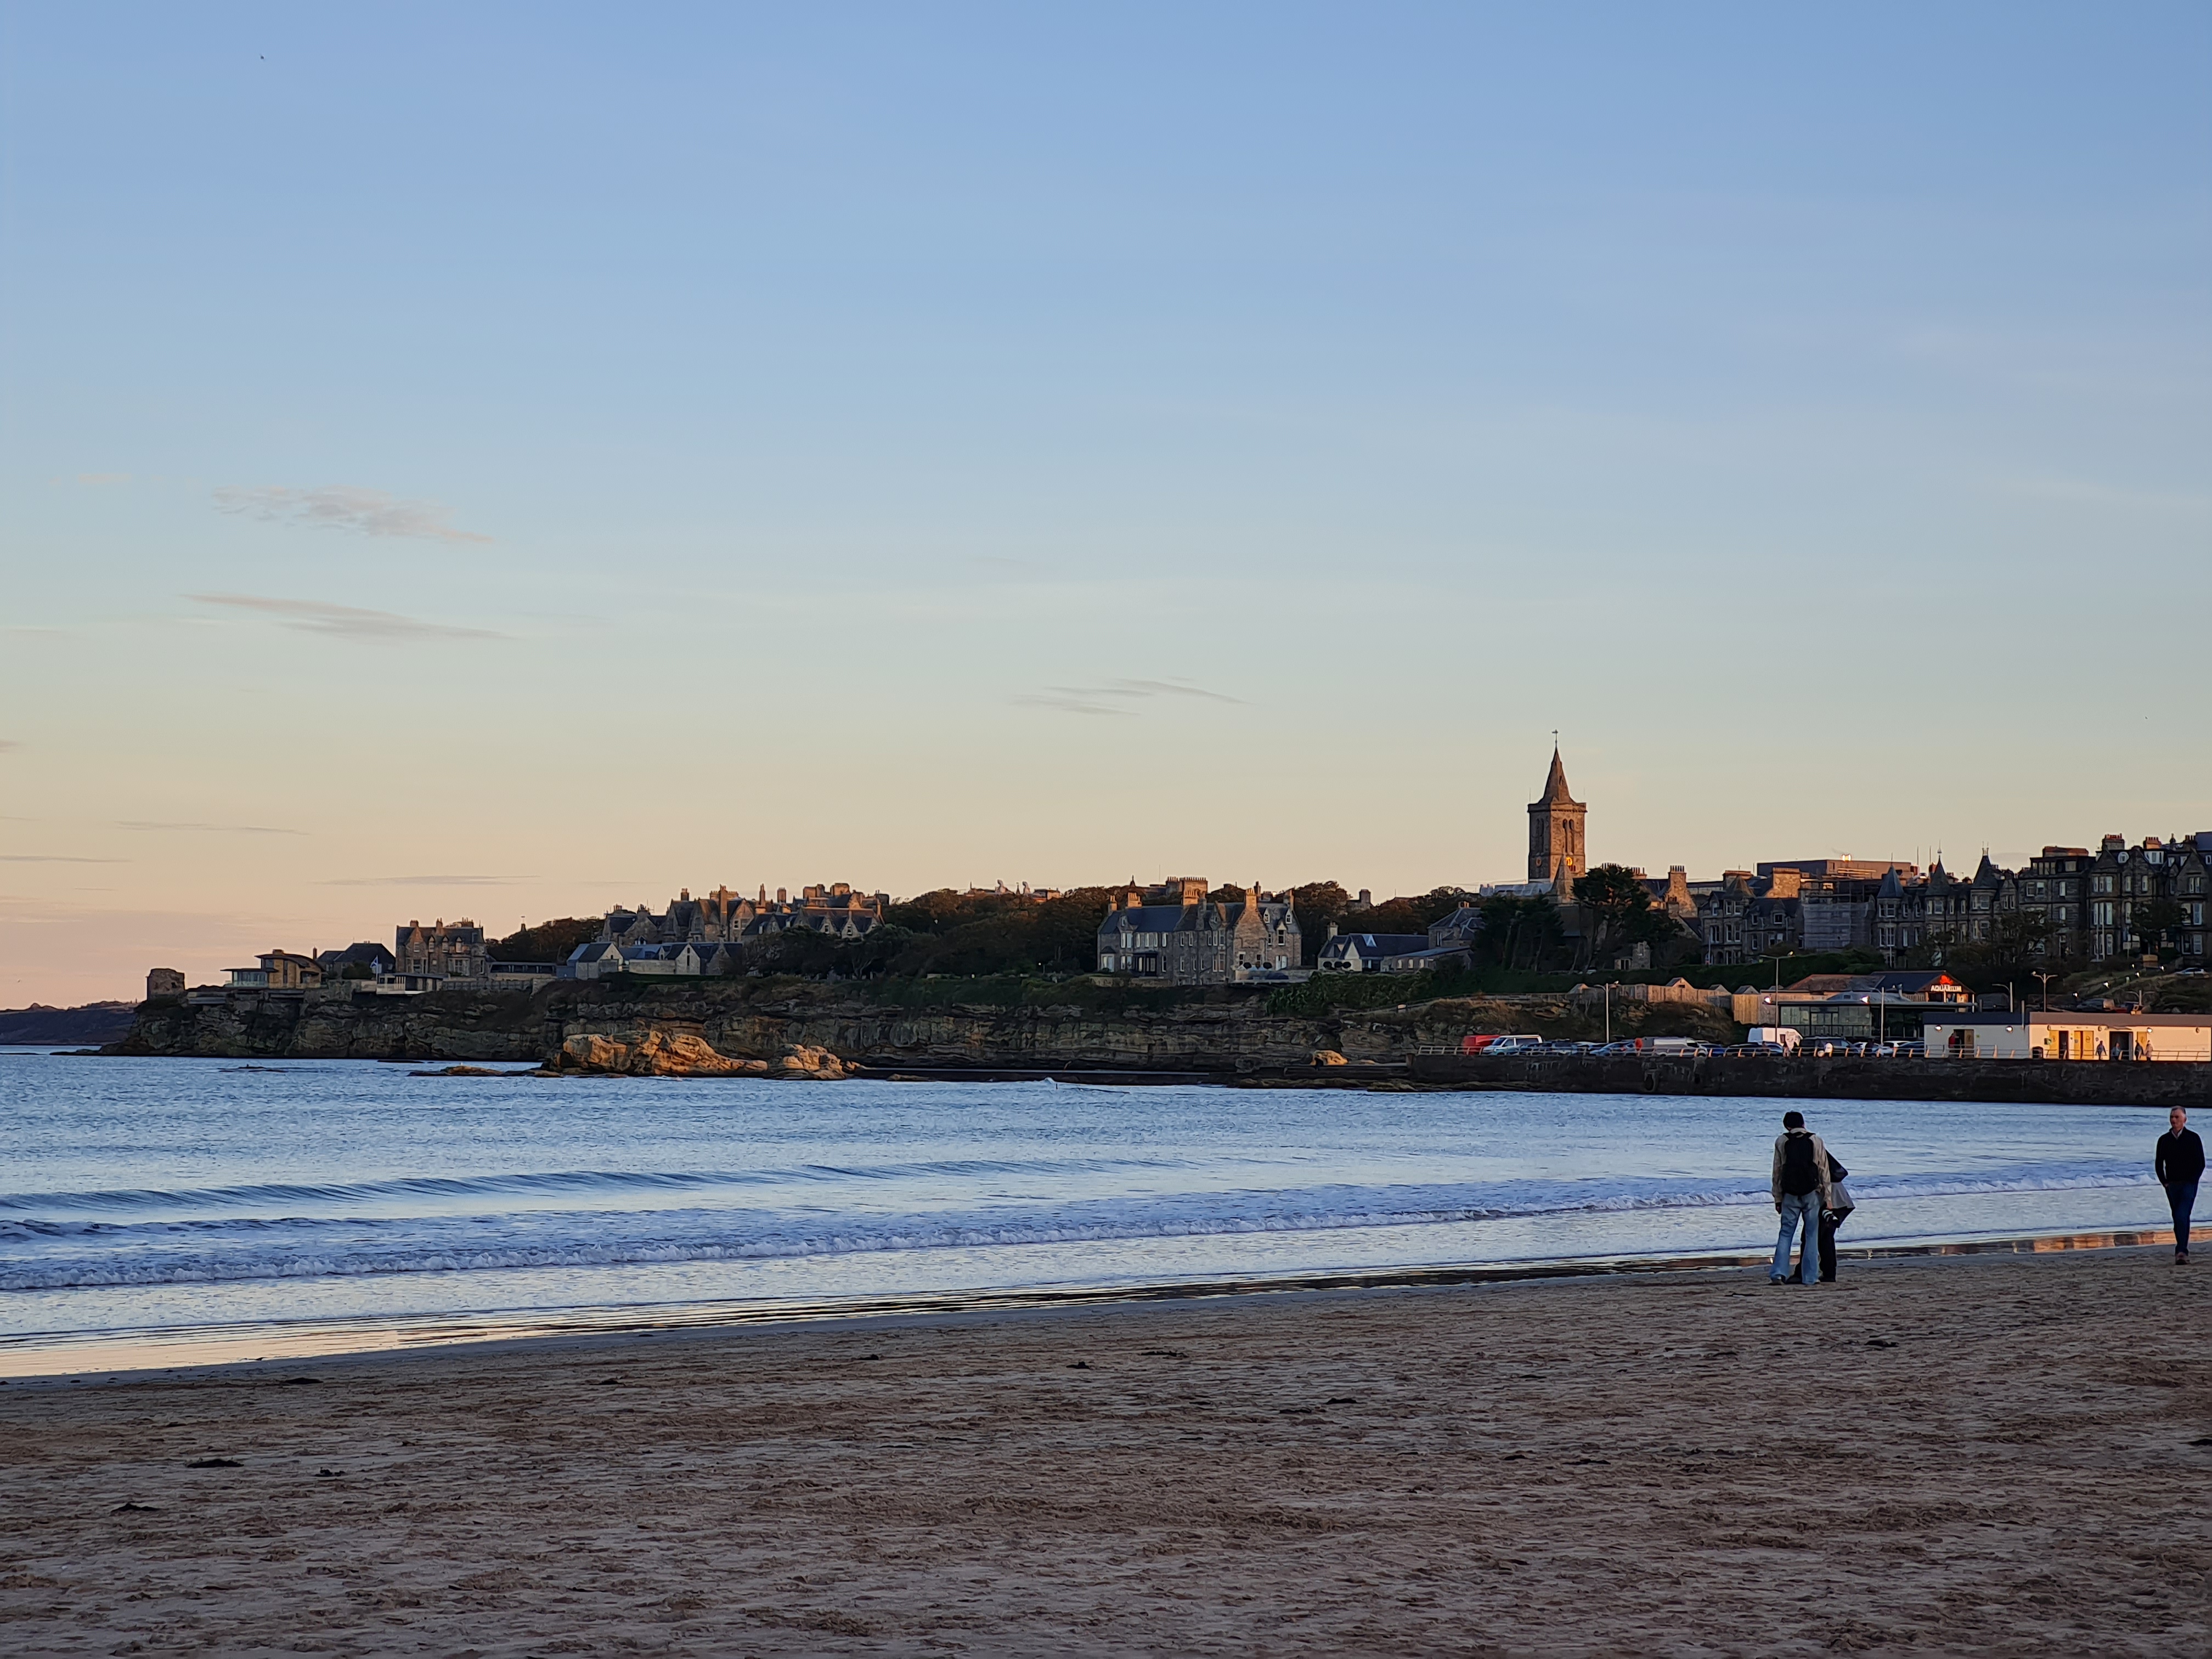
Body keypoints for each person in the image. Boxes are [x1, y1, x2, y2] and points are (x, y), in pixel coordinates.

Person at [1769, 1110, 1833, 1286]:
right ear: (1804, 1124)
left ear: (1787, 1127)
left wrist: (1778, 1198)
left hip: (1790, 1194)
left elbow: (1777, 1172)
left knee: (1786, 1233)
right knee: (1811, 1235)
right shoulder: (1816, 1140)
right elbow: (1823, 1170)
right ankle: (1810, 1277)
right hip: (1812, 1193)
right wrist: (1828, 1198)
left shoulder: (1782, 1141)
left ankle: (1779, 1273)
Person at [2155, 1105, 2203, 1265]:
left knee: (2182, 1215)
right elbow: (2158, 1163)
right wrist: (2164, 1181)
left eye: (2177, 1117)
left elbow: (2200, 1163)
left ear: (2184, 1119)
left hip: (2188, 1184)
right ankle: (2182, 1249)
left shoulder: (2193, 1138)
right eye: (2172, 1117)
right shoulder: (2164, 1140)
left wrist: (2193, 1180)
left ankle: (2181, 1251)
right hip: (2172, 1185)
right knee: (2178, 1218)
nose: (2174, 1120)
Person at [1818, 1150, 1855, 1283]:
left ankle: (1828, 1273)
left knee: (1824, 1238)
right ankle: (1829, 1272)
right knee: (1825, 1237)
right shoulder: (1818, 1150)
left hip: (1832, 1201)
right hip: (1840, 1200)